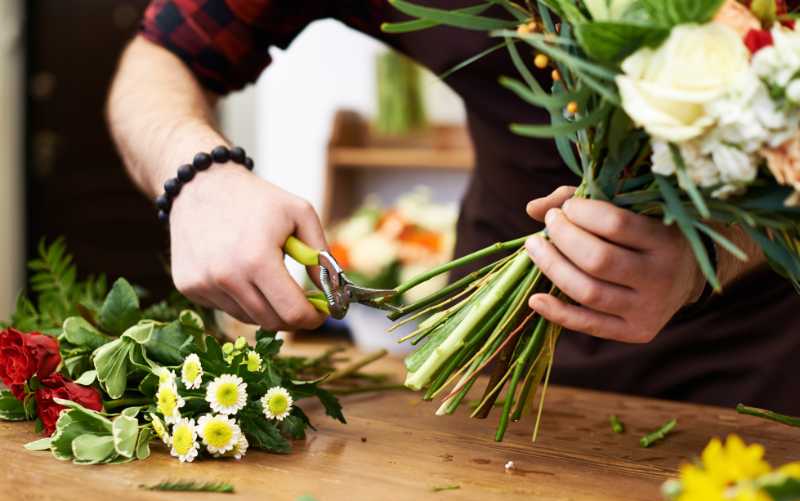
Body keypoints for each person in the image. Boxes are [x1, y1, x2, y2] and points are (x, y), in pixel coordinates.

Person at [108, 1, 800, 412]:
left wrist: (717, 249)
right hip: (494, 364)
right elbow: (164, 55)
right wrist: (196, 174)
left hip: (759, 374)